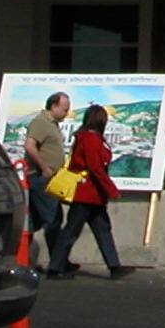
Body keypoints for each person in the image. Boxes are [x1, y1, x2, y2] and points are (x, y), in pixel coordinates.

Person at [52, 104, 134, 280]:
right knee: (73, 230)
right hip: (88, 193)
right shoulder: (91, 140)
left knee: (100, 228)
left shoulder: (85, 137)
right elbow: (96, 167)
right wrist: (111, 190)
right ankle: (55, 267)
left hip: (90, 193)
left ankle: (114, 266)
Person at [22, 90, 73, 265]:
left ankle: (26, 259)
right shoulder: (41, 122)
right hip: (41, 178)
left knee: (36, 221)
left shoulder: (52, 124)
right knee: (53, 219)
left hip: (50, 179)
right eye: (65, 109)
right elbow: (30, 146)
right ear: (54, 106)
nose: (67, 114)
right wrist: (44, 167)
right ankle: (58, 263)